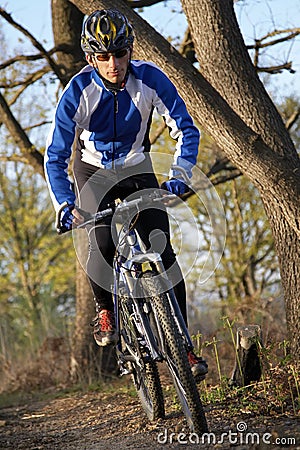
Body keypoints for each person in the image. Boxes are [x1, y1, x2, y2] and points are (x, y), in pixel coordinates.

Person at [44, 9, 208, 379]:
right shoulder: (77, 92)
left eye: (120, 53)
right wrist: (65, 204)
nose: (114, 63)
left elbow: (186, 129)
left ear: (130, 50)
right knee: (99, 241)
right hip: (92, 170)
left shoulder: (150, 80)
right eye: (103, 57)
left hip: (137, 168)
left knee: (163, 251)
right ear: (91, 58)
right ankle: (106, 309)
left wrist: (180, 177)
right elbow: (54, 155)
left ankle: (184, 347)